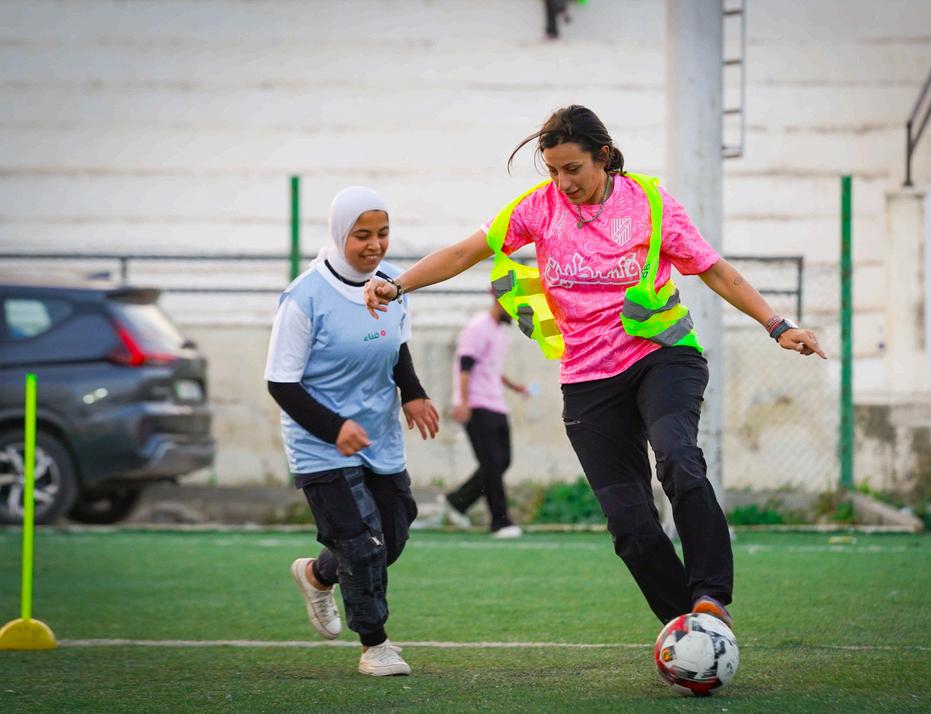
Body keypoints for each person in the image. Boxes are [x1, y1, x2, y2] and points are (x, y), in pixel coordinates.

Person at [364, 105, 826, 630]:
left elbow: (714, 269)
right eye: (553, 170)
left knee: (678, 457)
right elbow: (463, 253)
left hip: (660, 356)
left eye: (573, 169)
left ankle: (711, 596)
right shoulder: (538, 208)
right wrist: (397, 284)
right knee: (629, 522)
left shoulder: (649, 203)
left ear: (603, 156)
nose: (563, 182)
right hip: (587, 379)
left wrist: (777, 325)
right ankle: (689, 627)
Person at [265, 186, 440, 677]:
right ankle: (375, 646)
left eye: (383, 233)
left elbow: (397, 346)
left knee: (392, 536)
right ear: (339, 233)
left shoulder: (392, 285)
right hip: (320, 442)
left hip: (377, 435)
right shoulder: (304, 297)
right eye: (362, 235)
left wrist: (413, 392)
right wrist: (334, 427)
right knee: (362, 545)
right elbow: (281, 382)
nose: (375, 245)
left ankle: (318, 574)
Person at [439, 295, 529, 538]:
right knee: (491, 464)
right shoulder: (478, 327)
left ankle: (457, 501)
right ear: (498, 300)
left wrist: (513, 386)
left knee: (503, 461)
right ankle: (500, 522)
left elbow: (490, 367)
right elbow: (465, 365)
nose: (515, 313)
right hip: (476, 405)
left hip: (496, 403)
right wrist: (463, 402)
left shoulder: (500, 332)